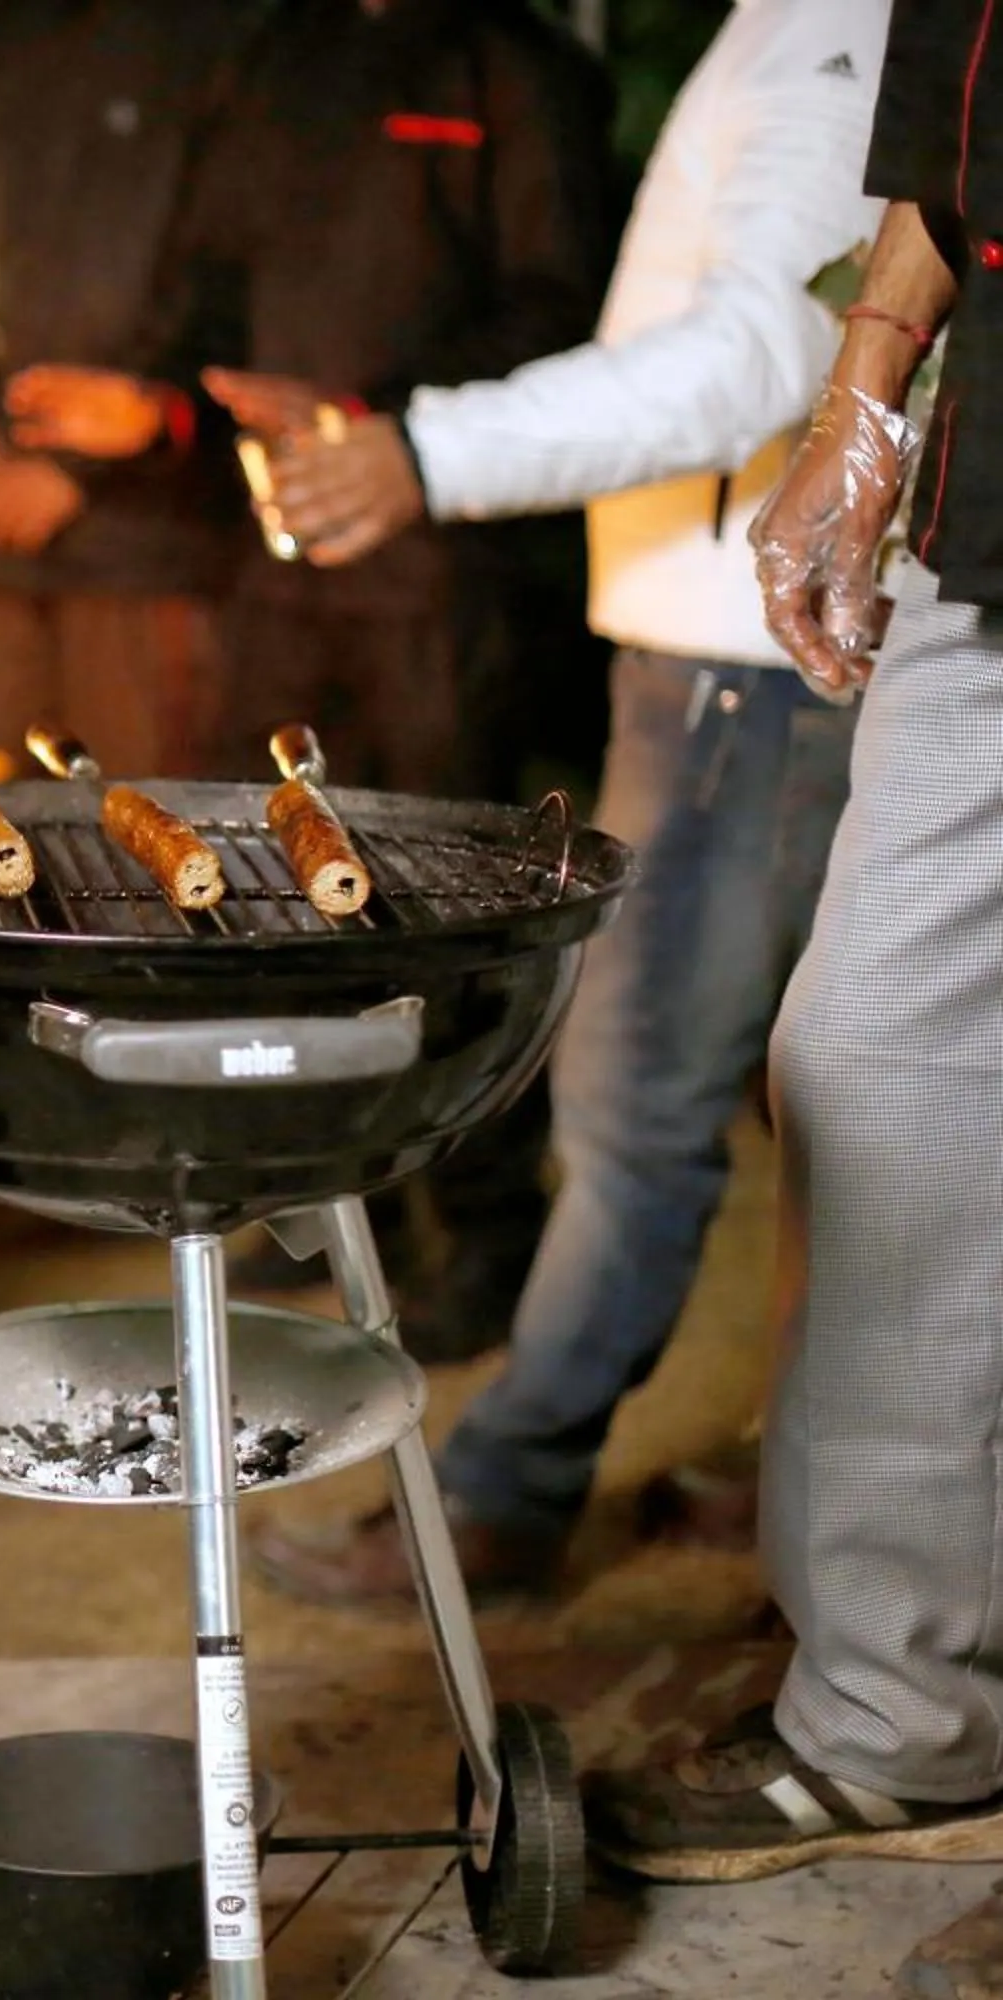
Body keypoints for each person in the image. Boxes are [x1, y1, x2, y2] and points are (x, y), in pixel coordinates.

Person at [211, 0, 887, 1606]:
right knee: (820, 1104)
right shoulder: (798, 24)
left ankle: (506, 1505)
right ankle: (813, 1458)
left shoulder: (839, 32)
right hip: (719, 647)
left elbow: (767, 357)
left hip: (746, 659)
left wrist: (427, 454)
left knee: (639, 1110)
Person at [6, 0, 617, 1358]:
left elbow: (564, 307)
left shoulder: (515, 66)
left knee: (444, 919)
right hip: (274, 570)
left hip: (445, 564)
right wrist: (153, 408)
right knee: (275, 901)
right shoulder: (282, 54)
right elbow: (212, 299)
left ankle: (487, 1237)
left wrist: (377, 414)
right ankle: (338, 1215)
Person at [583, 11, 1003, 1976]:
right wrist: (869, 394)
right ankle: (901, 1710)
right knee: (868, 1063)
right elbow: (960, 123)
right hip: (992, 512)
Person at [0, 0, 263, 778]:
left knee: (139, 851)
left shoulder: (239, 41)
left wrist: (101, 455)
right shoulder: (3, 42)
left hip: (148, 555)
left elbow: (262, 293)